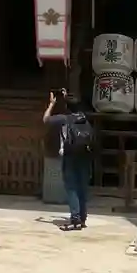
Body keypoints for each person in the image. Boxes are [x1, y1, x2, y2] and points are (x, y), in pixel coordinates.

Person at [43, 88, 96, 231]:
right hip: (84, 155)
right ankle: (82, 218)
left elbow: (46, 119)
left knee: (71, 187)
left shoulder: (64, 119)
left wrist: (52, 104)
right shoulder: (84, 117)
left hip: (70, 156)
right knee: (82, 187)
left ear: (67, 106)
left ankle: (75, 219)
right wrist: (67, 98)